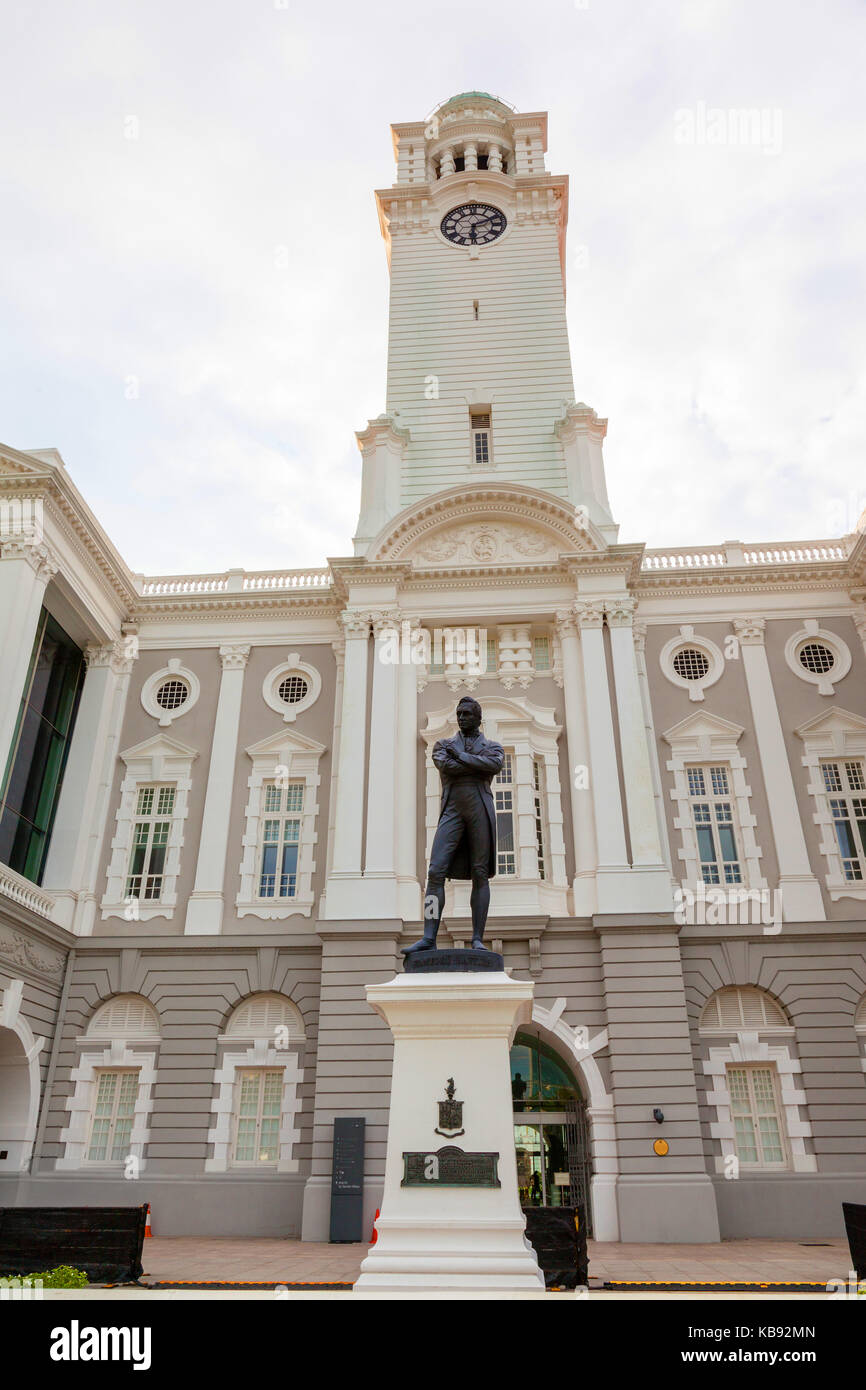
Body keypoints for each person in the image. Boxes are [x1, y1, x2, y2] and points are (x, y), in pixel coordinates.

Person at [402, 696, 504, 955]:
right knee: (435, 871)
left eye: (467, 714)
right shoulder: (442, 744)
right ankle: (428, 937)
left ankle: (478, 937)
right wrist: (473, 764)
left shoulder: (493, 747)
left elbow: (494, 764)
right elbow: (444, 764)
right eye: (459, 713)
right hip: (452, 810)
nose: (461, 718)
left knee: (480, 874)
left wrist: (460, 757)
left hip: (480, 808)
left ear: (478, 718)